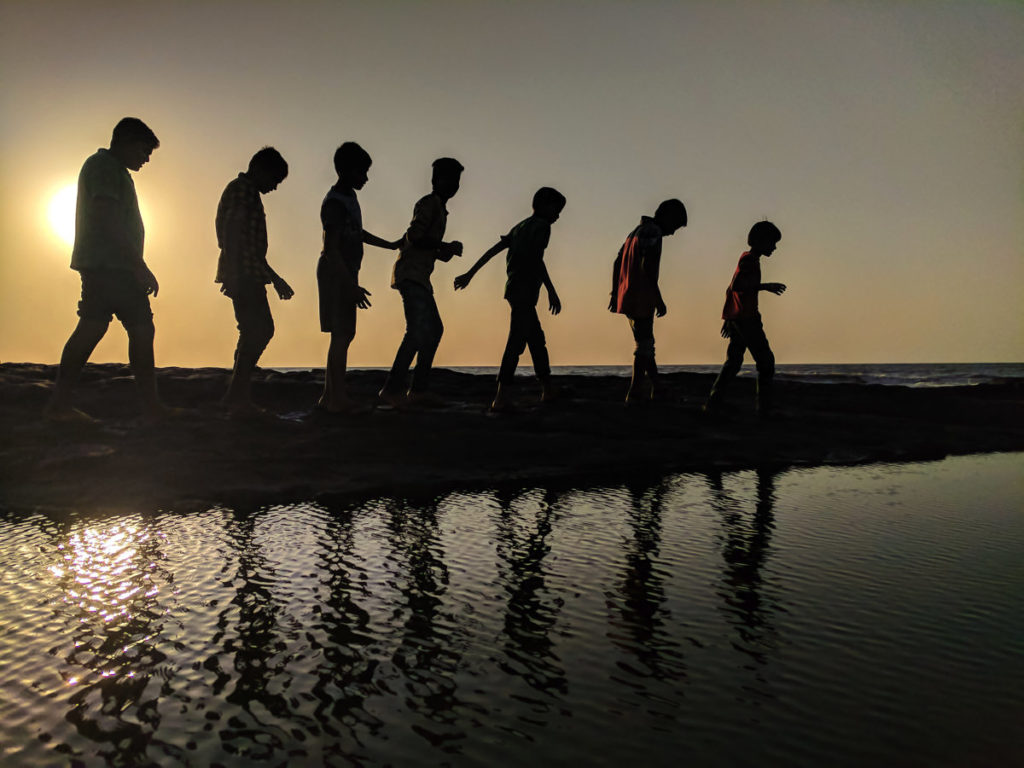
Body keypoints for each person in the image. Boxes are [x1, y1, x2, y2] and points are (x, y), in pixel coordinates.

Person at [46, 117, 170, 423]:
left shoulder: (114, 171)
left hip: (109, 265)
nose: (146, 158)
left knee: (96, 327)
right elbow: (106, 216)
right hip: (111, 267)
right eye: (144, 150)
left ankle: (60, 405)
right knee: (134, 328)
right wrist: (138, 265)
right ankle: (151, 409)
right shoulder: (104, 167)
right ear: (126, 142)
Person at [454, 187, 566, 411]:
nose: (558, 215)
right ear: (543, 205)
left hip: (514, 289)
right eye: (556, 209)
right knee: (516, 341)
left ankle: (548, 388)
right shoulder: (541, 227)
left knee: (536, 340)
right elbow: (536, 259)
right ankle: (501, 396)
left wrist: (470, 273)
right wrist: (551, 290)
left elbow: (494, 249)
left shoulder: (520, 226)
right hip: (524, 290)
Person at [317, 142, 402, 412]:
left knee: (343, 335)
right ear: (347, 170)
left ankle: (330, 396)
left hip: (345, 272)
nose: (366, 177)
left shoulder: (349, 200)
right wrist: (350, 285)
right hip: (336, 273)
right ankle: (337, 399)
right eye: (362, 172)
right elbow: (331, 249)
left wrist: (389, 245)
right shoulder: (335, 203)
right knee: (342, 334)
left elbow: (357, 233)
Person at [378, 157, 464, 408]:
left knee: (433, 330)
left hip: (420, 277)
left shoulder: (440, 208)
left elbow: (425, 244)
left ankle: (417, 389)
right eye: (450, 179)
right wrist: (442, 245)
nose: (455, 185)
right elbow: (415, 237)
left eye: (457, 181)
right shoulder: (429, 204)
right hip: (411, 275)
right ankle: (392, 390)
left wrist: (444, 252)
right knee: (416, 332)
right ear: (436, 180)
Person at [214, 146, 293, 414]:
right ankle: (236, 395)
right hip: (243, 273)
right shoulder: (242, 190)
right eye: (274, 181)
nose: (274, 187)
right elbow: (233, 234)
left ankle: (238, 392)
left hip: (248, 271)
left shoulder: (245, 191)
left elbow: (250, 246)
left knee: (251, 331)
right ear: (261, 170)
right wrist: (235, 274)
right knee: (260, 330)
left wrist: (275, 277)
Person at [703, 221, 786, 417]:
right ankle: (763, 408)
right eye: (772, 243)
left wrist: (728, 318)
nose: (774, 247)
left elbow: (731, 288)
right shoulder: (748, 260)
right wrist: (766, 286)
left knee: (733, 361)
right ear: (760, 241)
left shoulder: (747, 259)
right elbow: (738, 286)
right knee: (766, 361)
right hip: (747, 319)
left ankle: (714, 401)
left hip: (739, 317)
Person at [609, 199, 688, 403]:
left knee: (645, 343)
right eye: (675, 226)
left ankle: (657, 387)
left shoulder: (635, 231)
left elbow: (618, 261)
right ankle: (635, 392)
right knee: (644, 345)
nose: (673, 232)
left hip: (627, 294)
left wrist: (614, 292)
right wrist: (658, 298)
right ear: (668, 217)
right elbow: (648, 267)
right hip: (641, 296)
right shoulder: (653, 232)